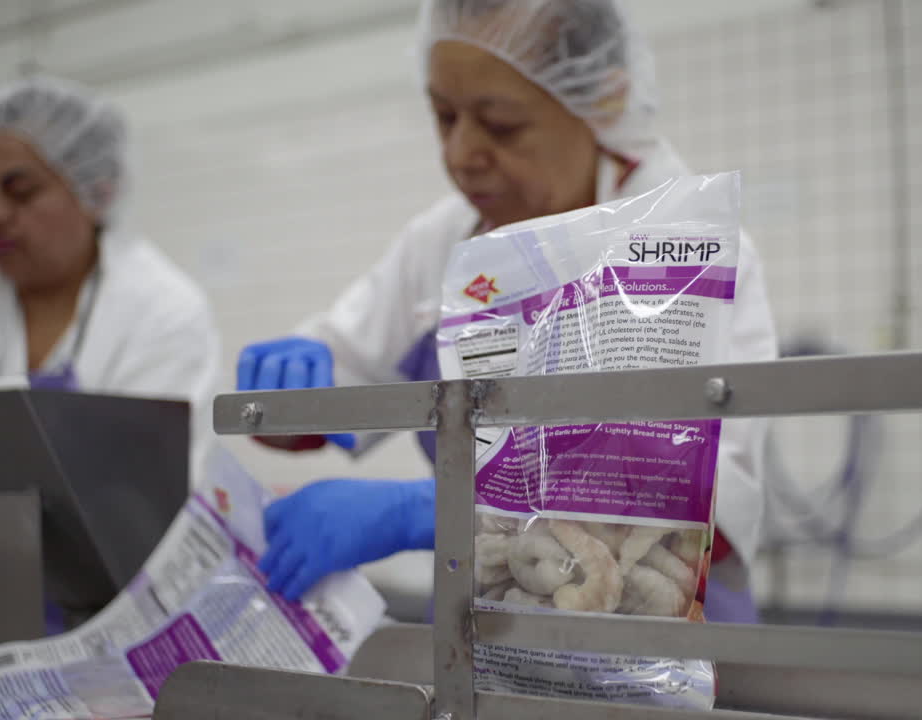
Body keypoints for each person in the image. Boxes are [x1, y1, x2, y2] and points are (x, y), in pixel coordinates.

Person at [238, 0, 777, 621]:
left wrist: (431, 510)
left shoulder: (686, 247)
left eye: (500, 125)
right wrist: (292, 382)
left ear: (601, 102)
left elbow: (703, 501)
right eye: (444, 117)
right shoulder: (443, 243)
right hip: (490, 636)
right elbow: (338, 376)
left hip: (662, 642)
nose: (462, 153)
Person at [0, 76, 221, 592]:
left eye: (19, 190)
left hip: (105, 615)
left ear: (95, 192)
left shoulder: (161, 312)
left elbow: (139, 518)